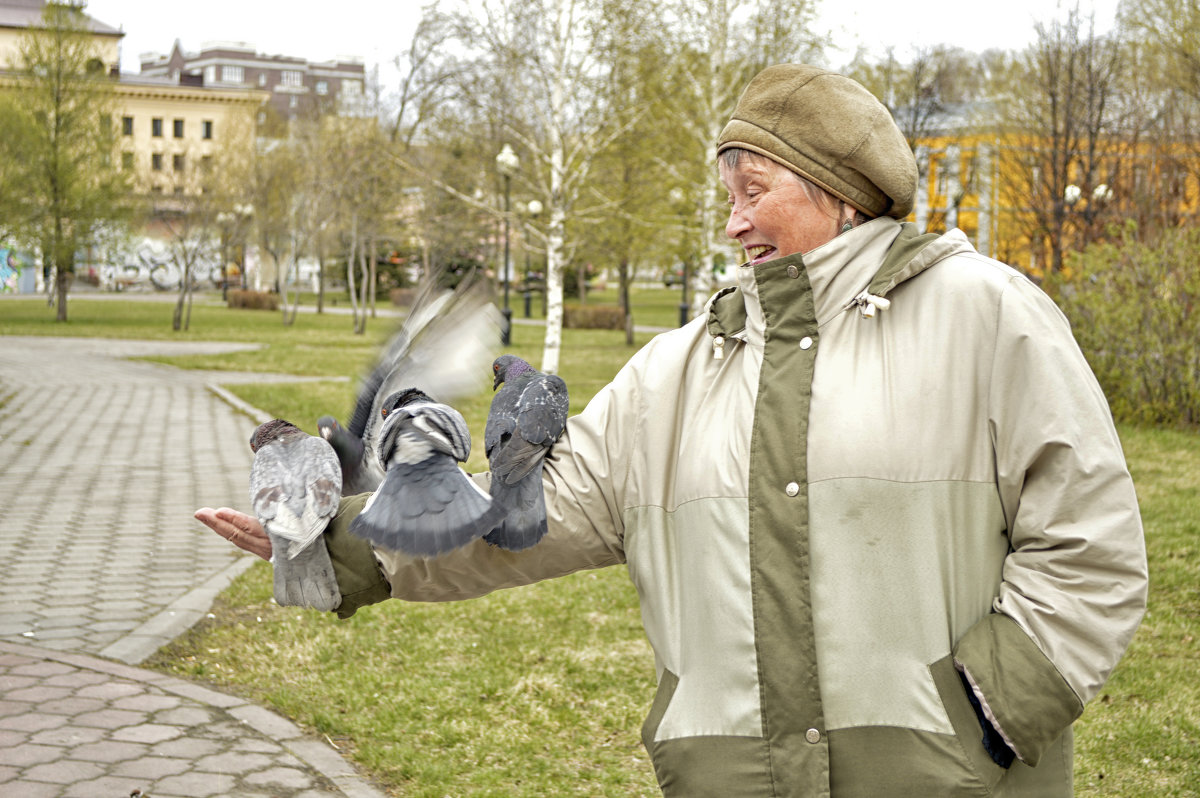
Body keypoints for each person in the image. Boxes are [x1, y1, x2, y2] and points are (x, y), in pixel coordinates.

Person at [198, 64, 1147, 796]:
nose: (733, 224)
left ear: (838, 192)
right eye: (726, 195)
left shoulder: (989, 317)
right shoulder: (677, 370)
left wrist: (985, 712)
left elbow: (1092, 549)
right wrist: (339, 545)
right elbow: (526, 520)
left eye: (754, 191)